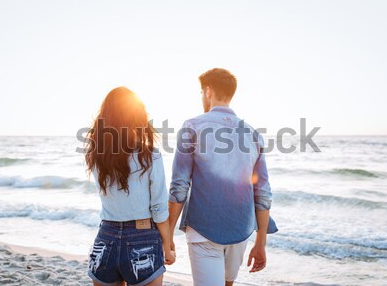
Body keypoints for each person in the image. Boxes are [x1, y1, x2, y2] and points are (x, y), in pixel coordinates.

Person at [168, 68, 278, 286]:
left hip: (203, 230)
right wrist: (261, 243)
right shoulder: (253, 134)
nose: (202, 97)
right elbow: (263, 194)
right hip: (241, 229)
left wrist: (167, 234)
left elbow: (180, 186)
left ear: (208, 91)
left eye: (201, 92)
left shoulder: (193, 126)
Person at [85, 87, 175, 286]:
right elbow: (159, 208)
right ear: (138, 117)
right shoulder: (150, 154)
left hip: (105, 238)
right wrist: (167, 245)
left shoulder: (96, 155)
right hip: (142, 238)